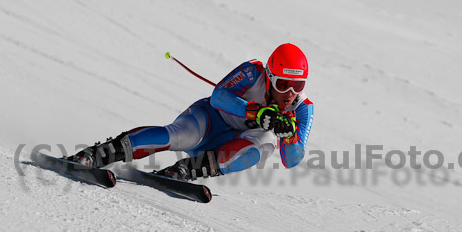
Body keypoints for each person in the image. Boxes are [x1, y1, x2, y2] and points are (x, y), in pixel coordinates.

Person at [69, 43, 314, 181]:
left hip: (228, 146)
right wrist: (257, 113)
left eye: (298, 85)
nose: (289, 93)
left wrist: (289, 135)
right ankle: (102, 153)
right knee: (181, 136)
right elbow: (219, 96)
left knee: (266, 144)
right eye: (282, 84)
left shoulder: (303, 108)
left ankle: (188, 169)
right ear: (269, 76)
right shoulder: (252, 72)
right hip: (208, 122)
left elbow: (291, 160)